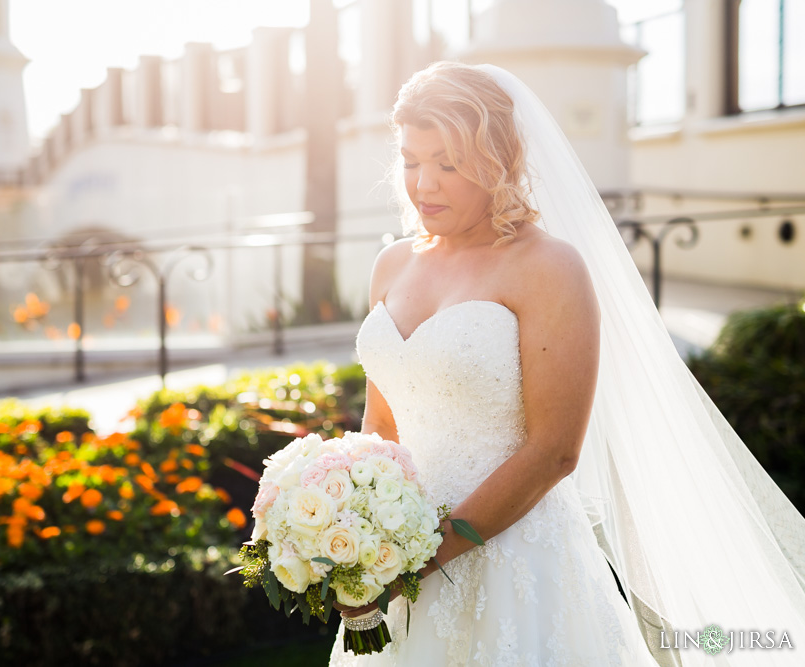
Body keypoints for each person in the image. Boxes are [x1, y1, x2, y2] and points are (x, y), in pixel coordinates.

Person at [329, 62, 805, 666]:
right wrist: (355, 536)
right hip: (397, 562)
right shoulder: (392, 265)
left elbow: (555, 450)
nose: (424, 183)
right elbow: (383, 428)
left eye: (447, 162)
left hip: (510, 561)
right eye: (412, 159)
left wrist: (425, 559)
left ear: (497, 158)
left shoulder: (549, 268)